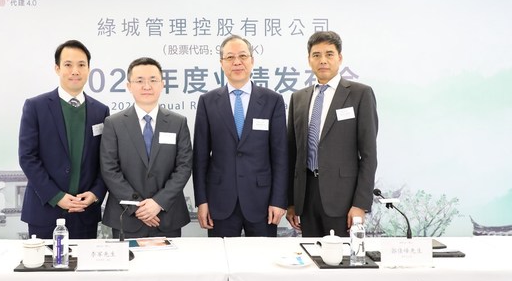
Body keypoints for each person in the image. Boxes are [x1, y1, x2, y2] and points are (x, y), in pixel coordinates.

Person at [193, 35, 288, 237]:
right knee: (221, 256)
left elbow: (280, 156)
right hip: (220, 201)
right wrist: (201, 201)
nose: (237, 62)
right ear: (222, 63)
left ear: (252, 60)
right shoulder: (207, 102)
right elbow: (200, 158)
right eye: (230, 57)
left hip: (262, 202)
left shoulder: (272, 101)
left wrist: (279, 200)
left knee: (264, 256)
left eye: (243, 56)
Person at [286, 31, 378, 237]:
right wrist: (291, 202)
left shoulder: (360, 94)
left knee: (341, 256)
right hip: (306, 198)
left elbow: (369, 155)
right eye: (316, 55)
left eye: (329, 54)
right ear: (309, 59)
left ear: (340, 58)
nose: (323, 60)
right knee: (311, 253)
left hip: (343, 200)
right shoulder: (298, 98)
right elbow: (292, 154)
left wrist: (360, 204)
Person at [19, 39, 110, 239]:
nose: (75, 71)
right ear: (57, 68)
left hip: (84, 212)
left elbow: (106, 160)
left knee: (83, 259)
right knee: (45, 259)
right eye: (68, 65)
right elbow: (27, 157)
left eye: (81, 65)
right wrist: (56, 196)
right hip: (45, 211)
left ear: (89, 69)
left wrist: (95, 193)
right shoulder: (36, 106)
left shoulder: (100, 111)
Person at [100, 57, 192, 238]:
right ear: (129, 86)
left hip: (167, 216)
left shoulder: (178, 123)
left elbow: (184, 166)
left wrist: (158, 202)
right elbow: (109, 169)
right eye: (140, 81)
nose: (147, 86)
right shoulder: (114, 123)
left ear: (162, 84)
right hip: (127, 217)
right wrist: (138, 207)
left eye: (153, 80)